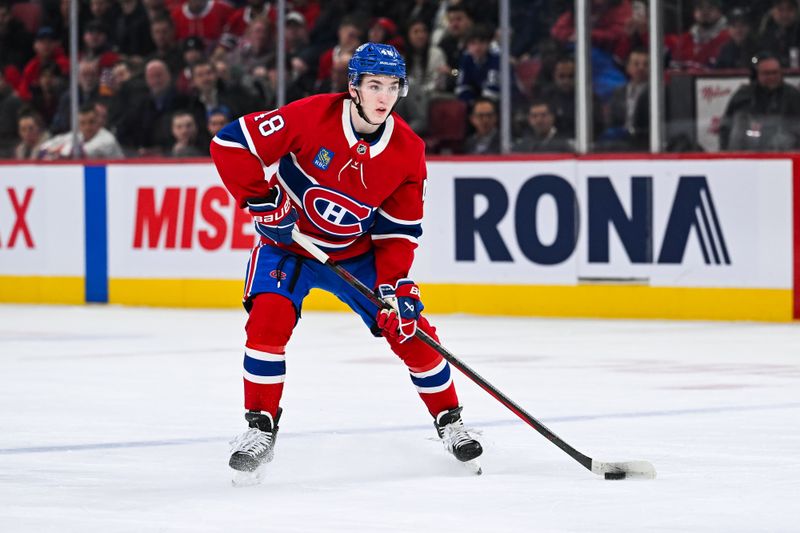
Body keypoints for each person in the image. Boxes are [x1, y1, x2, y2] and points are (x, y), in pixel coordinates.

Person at [210, 42, 483, 480]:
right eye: (374, 85)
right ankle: (260, 427)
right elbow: (229, 145)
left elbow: (398, 231)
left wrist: (397, 284)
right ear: (353, 86)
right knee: (268, 319)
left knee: (409, 328)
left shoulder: (407, 151)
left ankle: (450, 420)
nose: (383, 97)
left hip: (355, 256)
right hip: (289, 247)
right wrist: (264, 204)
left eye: (393, 87)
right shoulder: (311, 115)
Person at [719, 52, 800, 151]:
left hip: (783, 155)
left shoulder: (793, 95)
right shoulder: (744, 95)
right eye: (766, 73)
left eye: (775, 72)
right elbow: (727, 125)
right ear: (757, 75)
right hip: (748, 153)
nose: (771, 77)